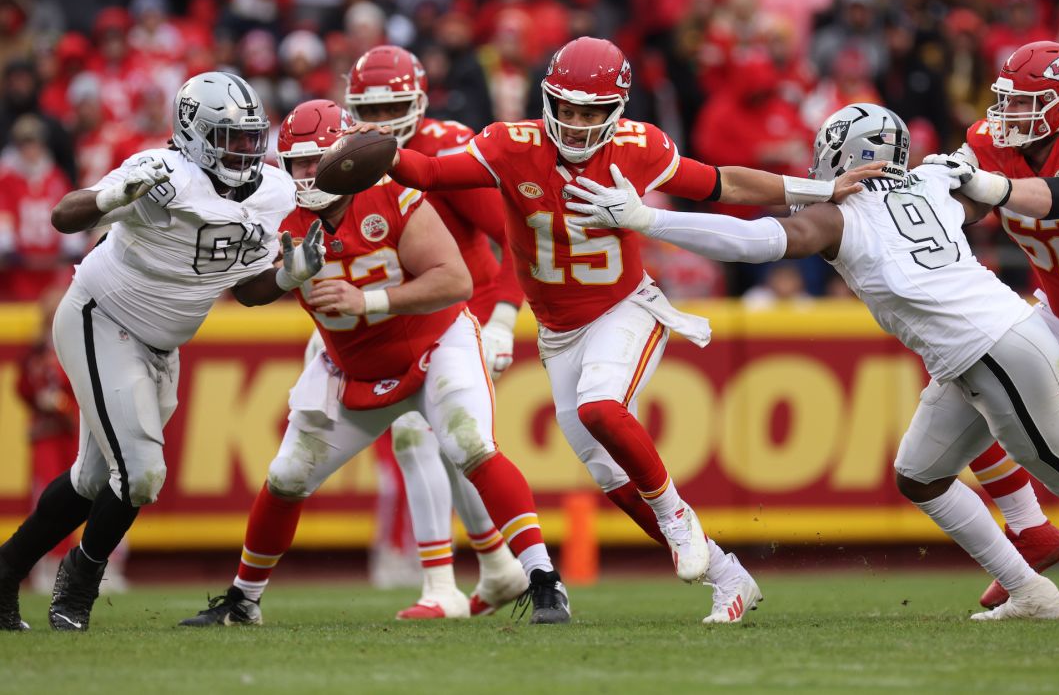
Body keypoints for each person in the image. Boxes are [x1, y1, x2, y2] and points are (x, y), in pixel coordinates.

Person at [352, 36, 878, 623]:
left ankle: (679, 520)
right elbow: (425, 169)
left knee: (602, 406)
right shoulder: (509, 144)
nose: (576, 124)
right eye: (567, 109)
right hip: (557, 332)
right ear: (549, 100)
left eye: (591, 112)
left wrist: (821, 189)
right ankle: (728, 576)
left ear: (617, 110)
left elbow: (722, 183)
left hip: (625, 307)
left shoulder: (638, 146)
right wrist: (375, 152)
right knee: (610, 476)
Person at [564, 101, 1059, 620]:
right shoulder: (934, 179)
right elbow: (981, 194)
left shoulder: (841, 218)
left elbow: (754, 241)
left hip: (996, 349)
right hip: (980, 350)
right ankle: (1029, 590)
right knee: (920, 475)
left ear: (847, 155)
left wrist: (649, 221)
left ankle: (1034, 547)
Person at [179, 99, 570, 628]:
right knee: (287, 475)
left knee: (470, 445)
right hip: (352, 366)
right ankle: (243, 600)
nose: (305, 174)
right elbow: (245, 293)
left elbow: (454, 280)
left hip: (435, 347)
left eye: (317, 161)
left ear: (347, 157)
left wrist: (372, 301)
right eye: (295, 163)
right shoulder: (277, 215)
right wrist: (283, 279)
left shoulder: (394, 193)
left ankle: (544, 581)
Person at [0, 71, 316, 632]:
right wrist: (109, 196)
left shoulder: (271, 191)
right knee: (141, 474)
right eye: (231, 139)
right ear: (194, 135)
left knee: (92, 480)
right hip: (102, 317)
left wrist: (287, 279)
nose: (245, 150)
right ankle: (77, 587)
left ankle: (3, 574)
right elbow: (65, 216)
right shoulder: (164, 172)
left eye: (251, 137)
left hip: (160, 344)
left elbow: (244, 291)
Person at [344, 46, 530, 619]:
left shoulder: (444, 148)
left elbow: (521, 237)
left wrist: (501, 320)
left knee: (421, 438)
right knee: (453, 448)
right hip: (399, 315)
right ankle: (498, 567)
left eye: (393, 108)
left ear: (419, 101)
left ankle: (440, 585)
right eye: (367, 112)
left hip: (460, 315)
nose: (379, 124)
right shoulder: (343, 156)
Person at [928, 40, 1059, 602]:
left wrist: (996, 187)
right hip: (1058, 313)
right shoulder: (991, 144)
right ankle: (1032, 532)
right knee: (963, 391)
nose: (1008, 115)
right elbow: (970, 207)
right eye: (1005, 100)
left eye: (1026, 103)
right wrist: (931, 198)